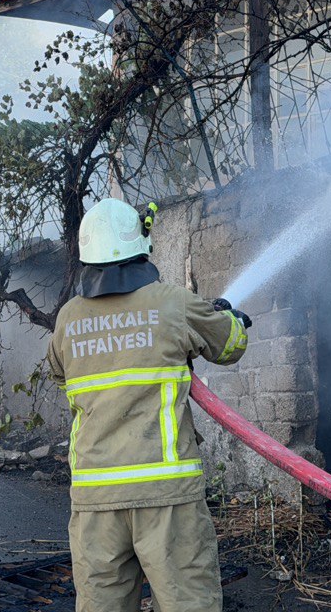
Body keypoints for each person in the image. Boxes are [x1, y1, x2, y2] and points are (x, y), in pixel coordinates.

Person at [46, 199, 252, 612]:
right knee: (187, 603)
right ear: (140, 245)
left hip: (95, 500)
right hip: (166, 495)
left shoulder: (69, 318)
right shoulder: (172, 303)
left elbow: (58, 371)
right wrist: (234, 319)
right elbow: (229, 345)